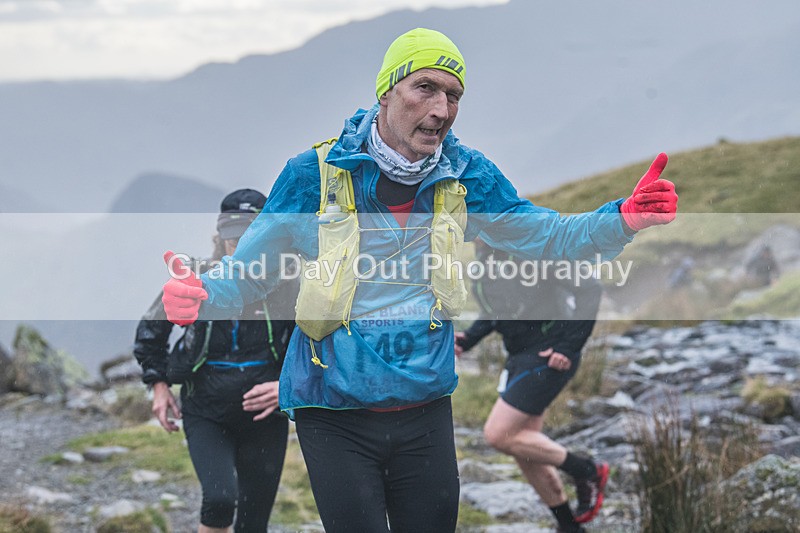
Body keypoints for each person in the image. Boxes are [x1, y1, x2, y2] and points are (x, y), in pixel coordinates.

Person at [159, 28, 678, 532]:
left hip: (424, 405)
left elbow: (548, 238)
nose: (441, 110)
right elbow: (250, 274)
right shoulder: (312, 175)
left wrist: (623, 219)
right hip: (333, 408)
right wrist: (202, 295)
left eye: (454, 95)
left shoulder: (466, 174)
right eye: (425, 88)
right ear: (386, 92)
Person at [134, 189, 297, 533]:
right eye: (231, 238)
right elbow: (151, 331)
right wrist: (158, 386)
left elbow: (313, 343)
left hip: (265, 416)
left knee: (254, 523)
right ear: (218, 238)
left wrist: (286, 385)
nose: (238, 247)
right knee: (220, 501)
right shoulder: (194, 280)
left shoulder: (289, 283)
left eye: (249, 237)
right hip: (206, 410)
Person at [455, 240, 604, 532]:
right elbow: (498, 310)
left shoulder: (529, 247)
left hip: (549, 356)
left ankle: (588, 471)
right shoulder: (486, 256)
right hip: (521, 358)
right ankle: (569, 525)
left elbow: (589, 288)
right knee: (524, 447)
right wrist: (469, 339)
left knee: (498, 435)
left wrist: (569, 345)